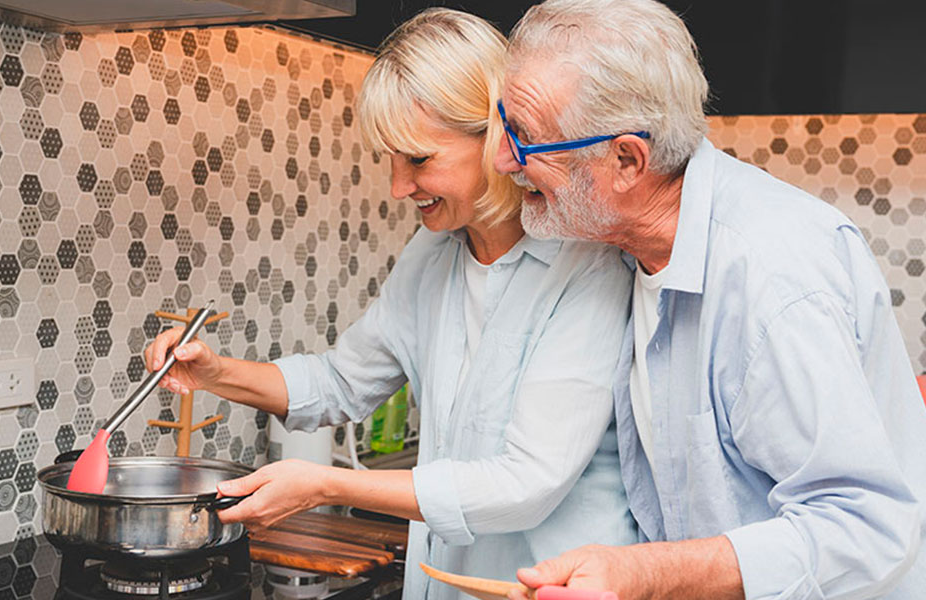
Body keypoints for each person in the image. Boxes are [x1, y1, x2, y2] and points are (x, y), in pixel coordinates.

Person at [145, 9, 637, 599]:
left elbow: (525, 483)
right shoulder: (433, 254)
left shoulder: (587, 262)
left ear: (497, 137)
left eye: (419, 160)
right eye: (392, 160)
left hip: (551, 589)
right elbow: (340, 381)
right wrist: (215, 373)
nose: (399, 187)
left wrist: (327, 486)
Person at [492, 0, 926, 598]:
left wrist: (646, 575)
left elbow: (864, 526)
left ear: (625, 161)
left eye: (525, 137)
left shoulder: (771, 277)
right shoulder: (627, 247)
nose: (502, 157)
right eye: (503, 121)